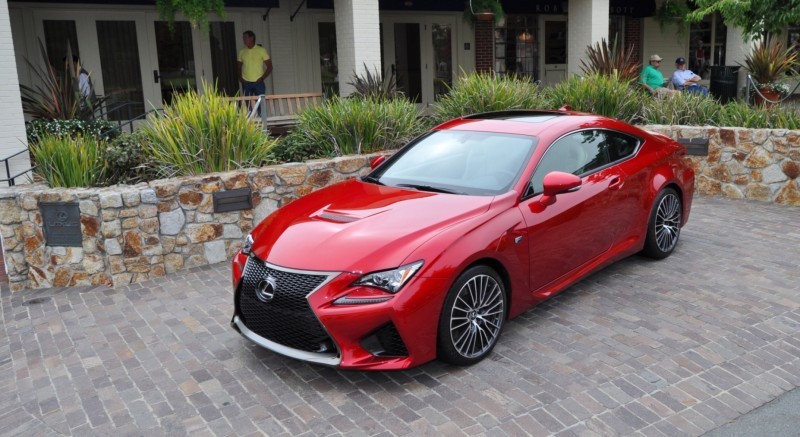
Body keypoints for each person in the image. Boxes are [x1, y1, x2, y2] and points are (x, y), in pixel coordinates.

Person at [237, 30, 273, 99]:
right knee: (248, 105)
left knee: (261, 104)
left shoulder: (261, 50)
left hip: (258, 82)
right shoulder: (242, 51)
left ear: (251, 38)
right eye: (243, 37)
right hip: (246, 82)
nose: (243, 39)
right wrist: (240, 78)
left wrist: (262, 78)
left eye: (245, 37)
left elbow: (270, 66)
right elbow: (238, 67)